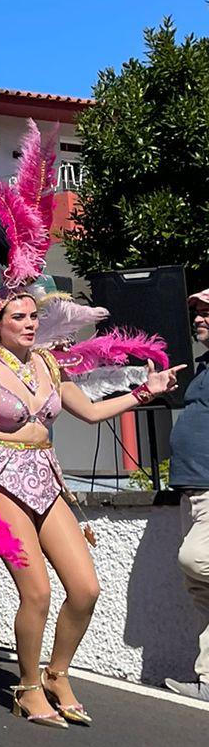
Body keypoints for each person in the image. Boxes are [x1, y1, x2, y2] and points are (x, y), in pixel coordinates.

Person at [0, 124, 181, 728]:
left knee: (86, 588)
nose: (29, 320)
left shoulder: (49, 363)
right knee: (38, 591)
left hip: (46, 476)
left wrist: (141, 391)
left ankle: (58, 673)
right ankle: (26, 686)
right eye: (18, 314)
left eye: (33, 313)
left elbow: (91, 411)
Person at [164, 288, 209, 703]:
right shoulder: (204, 366)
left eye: (208, 311)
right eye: (196, 311)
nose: (198, 318)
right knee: (201, 590)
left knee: (196, 560)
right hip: (192, 489)